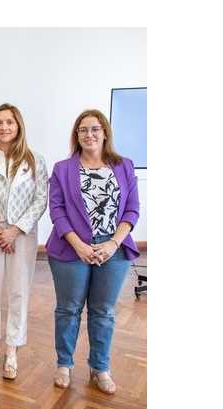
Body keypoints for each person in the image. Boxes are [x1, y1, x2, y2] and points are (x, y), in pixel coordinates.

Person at [46, 109, 140, 394]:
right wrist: (80, 245)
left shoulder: (124, 166)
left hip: (114, 249)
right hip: (71, 248)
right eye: (83, 130)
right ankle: (64, 363)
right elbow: (57, 211)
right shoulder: (63, 169)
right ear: (76, 135)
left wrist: (112, 244)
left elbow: (132, 210)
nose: (89, 134)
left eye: (95, 129)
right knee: (68, 309)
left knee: (103, 311)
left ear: (105, 133)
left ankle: (100, 367)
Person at [0, 104, 48, 379]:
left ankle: (12, 349)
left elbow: (40, 201)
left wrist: (15, 230)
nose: (4, 127)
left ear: (18, 126)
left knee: (18, 292)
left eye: (9, 123)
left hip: (22, 236)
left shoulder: (35, 160)